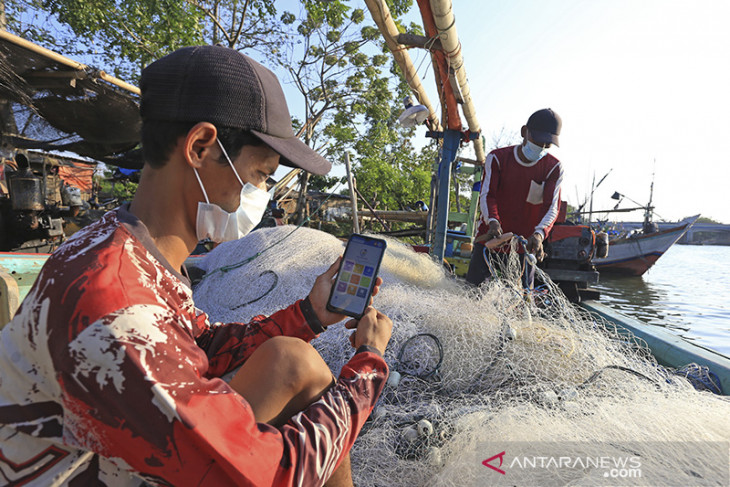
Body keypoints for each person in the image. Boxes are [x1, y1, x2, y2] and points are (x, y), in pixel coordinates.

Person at [0, 45, 393, 486]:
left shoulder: (126, 245)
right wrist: (369, 364)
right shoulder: (117, 301)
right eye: (261, 175)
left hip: (113, 449)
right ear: (201, 146)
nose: (258, 195)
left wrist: (310, 315)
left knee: (292, 360)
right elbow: (275, 472)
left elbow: (199, 345)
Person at [466, 108, 563, 289]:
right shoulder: (497, 158)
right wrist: (493, 222)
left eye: (547, 144)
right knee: (473, 293)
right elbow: (488, 195)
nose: (541, 147)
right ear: (524, 132)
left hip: (525, 247)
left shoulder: (553, 168)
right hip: (490, 242)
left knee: (524, 300)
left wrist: (539, 234)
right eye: (538, 140)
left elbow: (552, 207)